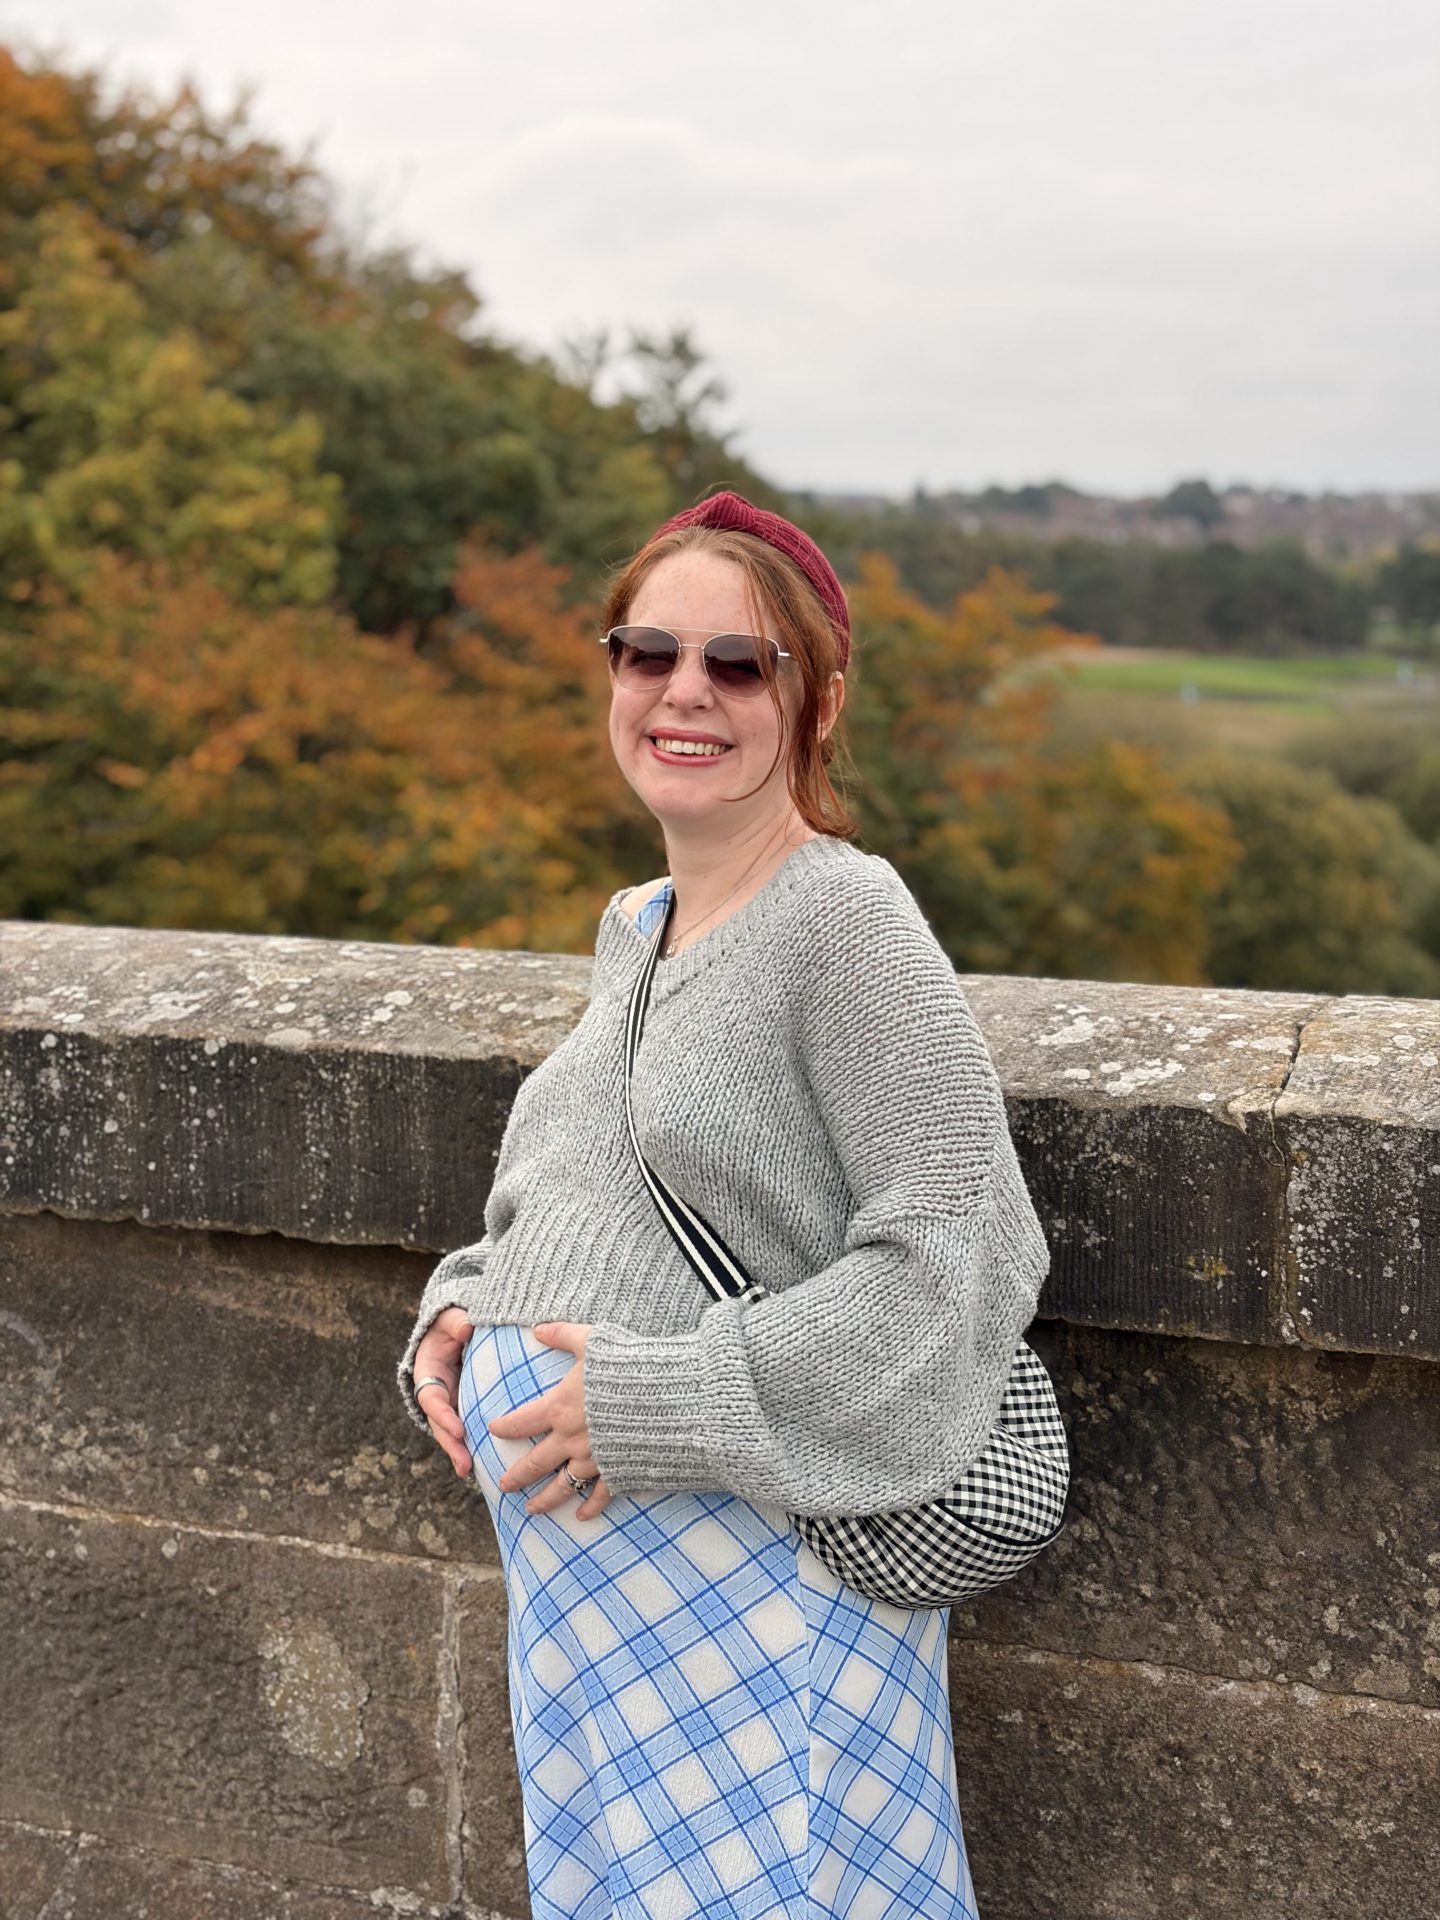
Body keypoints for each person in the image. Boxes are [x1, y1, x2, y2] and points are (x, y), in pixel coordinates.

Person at [397, 489, 1052, 1920]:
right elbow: (583, 1183)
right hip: (599, 1614)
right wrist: (469, 1302)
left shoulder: (844, 918)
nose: (685, 691)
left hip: (760, 1588)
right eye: (650, 653)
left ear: (817, 701)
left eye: (739, 663)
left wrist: (660, 1401)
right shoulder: (638, 925)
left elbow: (962, 1251)